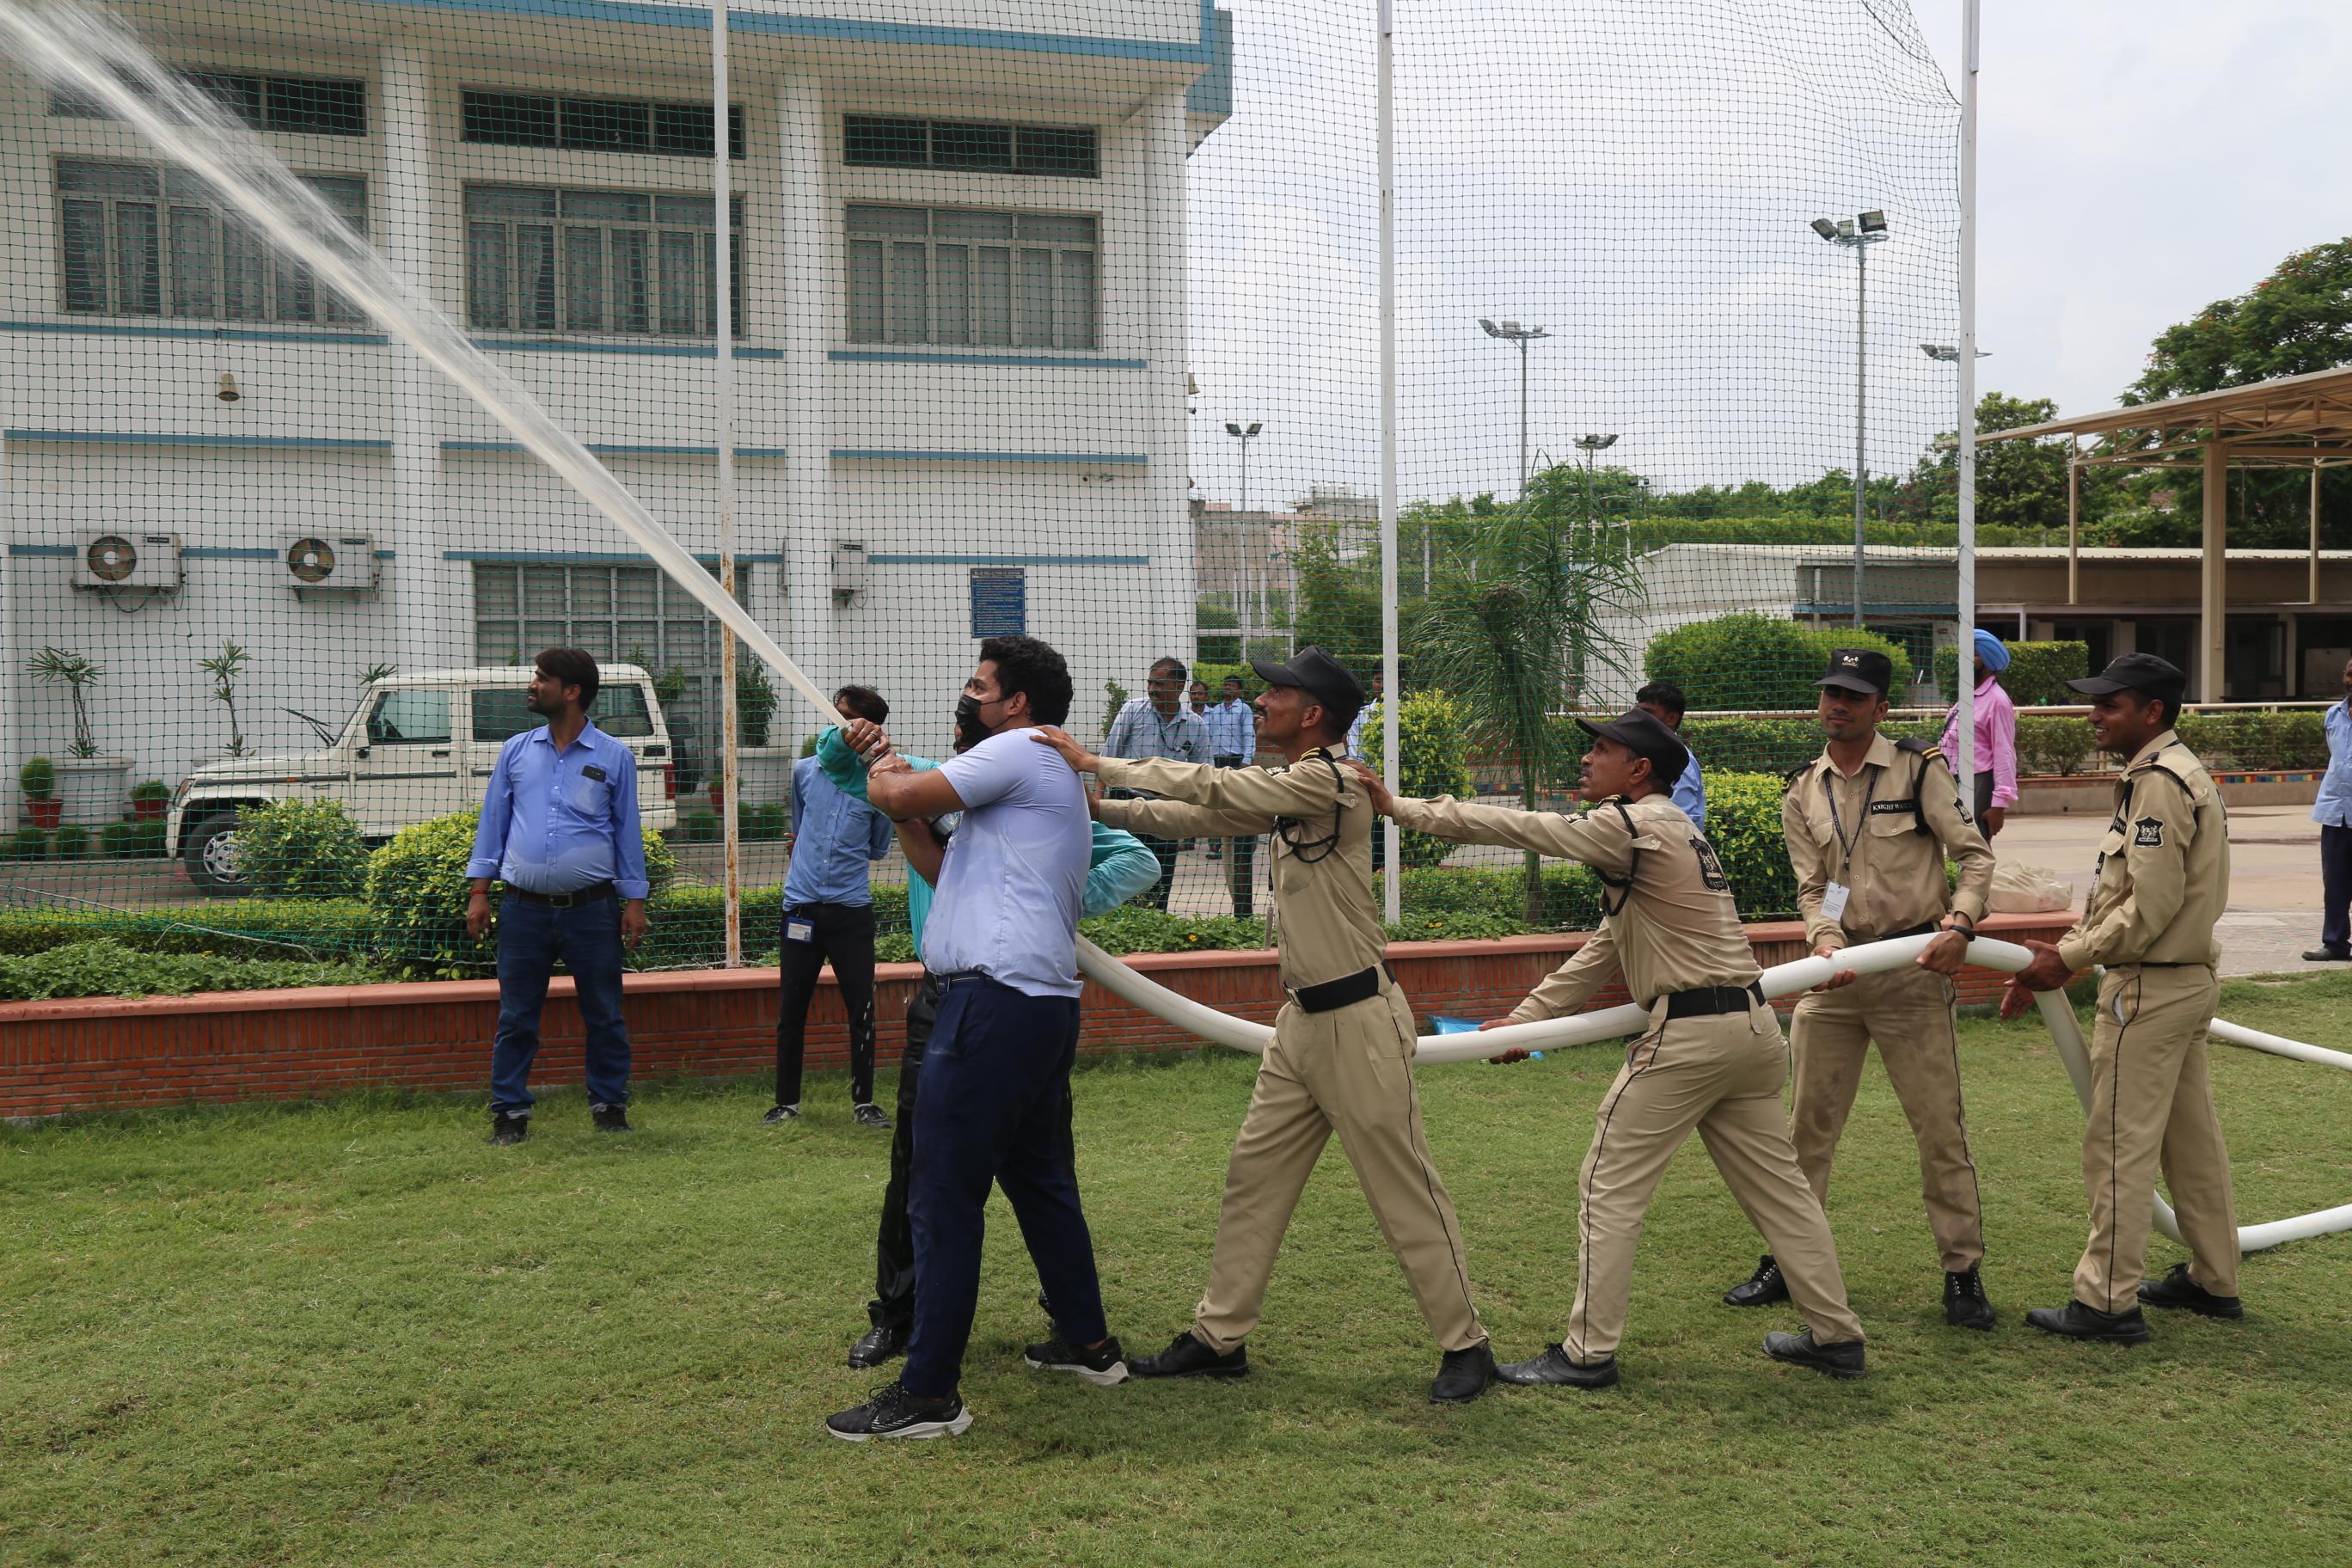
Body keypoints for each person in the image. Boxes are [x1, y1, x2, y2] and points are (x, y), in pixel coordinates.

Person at [1034, 647, 1498, 1406]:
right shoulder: (1292, 788)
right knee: (1253, 1180)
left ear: (1311, 713)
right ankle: (1220, 1339)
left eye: (1274, 694)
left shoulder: (1334, 777)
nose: (1258, 703)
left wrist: (1103, 764)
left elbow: (1217, 784)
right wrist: (1102, 808)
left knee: (1403, 1189)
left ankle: (1466, 1344)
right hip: (1304, 1023)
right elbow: (1204, 811)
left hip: (1360, 1020)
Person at [1351, 709, 1868, 1387]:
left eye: (1602, 749)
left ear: (1640, 769)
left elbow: (1522, 828)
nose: (1588, 760)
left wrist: (1399, 807)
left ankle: (1587, 1353)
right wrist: (1526, 1019)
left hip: (1689, 1038)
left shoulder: (1632, 824)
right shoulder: (1676, 830)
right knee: (1784, 1196)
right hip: (1751, 1031)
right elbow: (1604, 949)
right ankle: (1837, 1337)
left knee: (1607, 1185)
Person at [824, 635, 1125, 1442]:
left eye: (978, 684)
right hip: (1025, 1005)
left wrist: (880, 762)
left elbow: (900, 798)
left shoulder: (1022, 749)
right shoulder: (1024, 777)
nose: (968, 697)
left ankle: (929, 1396)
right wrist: (884, 775)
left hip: (991, 1005)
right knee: (1039, 1181)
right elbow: (930, 855)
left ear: (1017, 702)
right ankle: (1089, 1344)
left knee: (942, 1196)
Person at [1720, 648, 1998, 1329]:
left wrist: (1961, 922)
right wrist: (1822, 935)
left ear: (1881, 707)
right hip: (1833, 980)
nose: (1836, 706)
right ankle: (1788, 1261)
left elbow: (1974, 855)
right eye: (1829, 694)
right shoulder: (1802, 790)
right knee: (1805, 1133)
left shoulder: (1917, 770)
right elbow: (1814, 887)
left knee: (1939, 1129)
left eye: (1852, 696)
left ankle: (1962, 1274)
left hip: (1911, 972)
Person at [2003, 652, 2240, 1344]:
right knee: (2190, 1142)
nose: (2095, 715)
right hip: (2183, 981)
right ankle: (2214, 1278)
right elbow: (2130, 893)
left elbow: (2152, 904)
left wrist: (2069, 957)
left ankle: (2106, 1300)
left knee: (2117, 1144)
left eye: (2111, 705)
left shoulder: (2159, 783)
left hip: (2150, 987)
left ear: (2153, 713)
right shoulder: (2174, 772)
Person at [468, 648, 649, 1144]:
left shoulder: (614, 756)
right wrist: (479, 890)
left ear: (572, 691)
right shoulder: (516, 750)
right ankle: (510, 1113)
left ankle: (609, 1105)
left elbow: (626, 831)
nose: (532, 685)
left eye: (542, 679)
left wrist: (634, 902)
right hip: (522, 909)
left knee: (605, 1014)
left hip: (593, 911)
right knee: (517, 1015)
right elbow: (494, 823)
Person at [767, 685, 897, 1130]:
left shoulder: (880, 783)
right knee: (792, 1011)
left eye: (849, 720)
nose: (838, 728)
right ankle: (786, 1102)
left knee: (861, 1008)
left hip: (851, 910)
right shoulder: (804, 771)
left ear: (872, 730)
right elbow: (801, 828)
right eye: (835, 718)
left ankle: (864, 1103)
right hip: (800, 908)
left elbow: (878, 847)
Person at [1102, 657, 1210, 910]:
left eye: (1159, 683)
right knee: (1123, 868)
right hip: (1125, 802)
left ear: (1179, 686)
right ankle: (1120, 921)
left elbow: (1205, 775)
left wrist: (1193, 818)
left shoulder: (1195, 725)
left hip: (1167, 809)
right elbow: (1106, 758)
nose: (1152, 689)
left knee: (1160, 870)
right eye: (1150, 682)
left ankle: (1155, 919)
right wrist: (1098, 808)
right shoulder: (1132, 710)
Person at [1942, 628, 2019, 838]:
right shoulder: (1968, 695)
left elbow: (2005, 752)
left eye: (1974, 654)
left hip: (1979, 781)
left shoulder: (1997, 700)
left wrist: (1998, 806)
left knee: (1974, 847)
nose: (1965, 659)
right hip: (1955, 779)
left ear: (1988, 661)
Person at [1201, 673, 1261, 913]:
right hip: (1217, 759)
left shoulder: (1243, 710)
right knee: (1215, 800)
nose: (1227, 688)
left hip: (1236, 760)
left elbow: (1249, 734)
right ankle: (1215, 843)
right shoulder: (1214, 711)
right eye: (1225, 684)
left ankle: (1238, 840)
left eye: (1232, 686)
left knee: (1236, 802)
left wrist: (1247, 760)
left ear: (1239, 690)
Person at [2305, 656, 2352, 963]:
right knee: (2334, 882)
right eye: (2349, 673)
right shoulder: (2333, 715)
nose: (2351, 679)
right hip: (2336, 811)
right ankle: (2335, 943)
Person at [1634, 678, 1706, 830]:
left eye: (1647, 713)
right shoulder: (1647, 753)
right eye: (1637, 711)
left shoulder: (1680, 762)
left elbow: (1679, 823)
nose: (1639, 718)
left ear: (1672, 718)